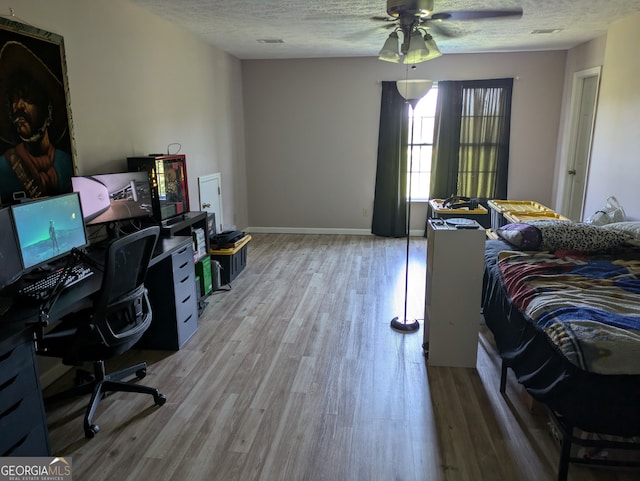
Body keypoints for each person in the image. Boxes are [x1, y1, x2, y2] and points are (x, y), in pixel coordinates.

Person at [0, 41, 73, 206]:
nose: (18, 106)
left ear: (47, 110)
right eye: (14, 100)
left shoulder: (65, 163)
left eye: (27, 99)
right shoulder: (4, 167)